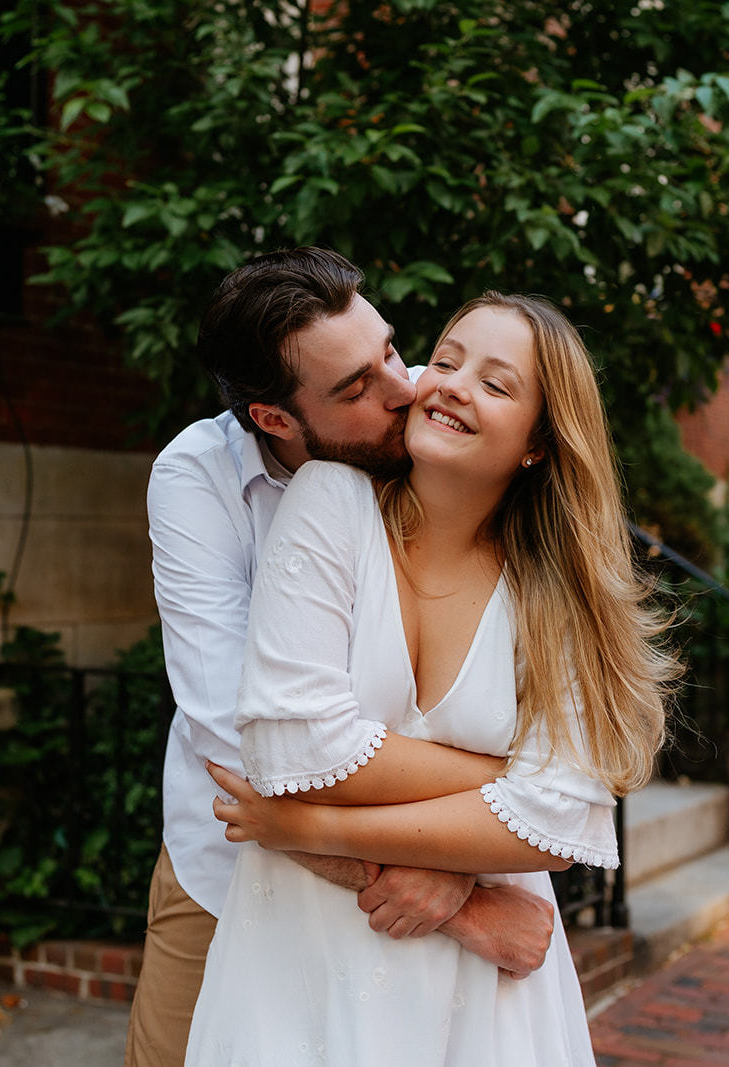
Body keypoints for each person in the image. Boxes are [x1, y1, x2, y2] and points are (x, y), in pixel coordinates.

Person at [185, 293, 677, 1065]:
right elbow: (293, 750)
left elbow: (557, 823)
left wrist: (314, 826)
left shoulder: (557, 593)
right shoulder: (331, 502)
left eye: (496, 382)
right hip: (300, 954)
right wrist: (500, 792)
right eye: (445, 360)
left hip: (487, 994)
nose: (449, 383)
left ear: (539, 444)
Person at [129, 254, 561, 1067]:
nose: (405, 388)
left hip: (448, 872)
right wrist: (468, 885)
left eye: (391, 351)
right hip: (234, 864)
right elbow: (247, 753)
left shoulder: (435, 436)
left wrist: (470, 857)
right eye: (356, 388)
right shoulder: (197, 481)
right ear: (276, 417)